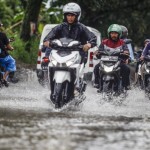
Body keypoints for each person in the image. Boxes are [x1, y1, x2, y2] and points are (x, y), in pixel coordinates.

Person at [94, 24, 130, 92]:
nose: (114, 35)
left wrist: (125, 53)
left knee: (127, 69)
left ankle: (125, 85)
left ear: (119, 34)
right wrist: (98, 53)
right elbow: (99, 50)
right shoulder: (104, 42)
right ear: (109, 34)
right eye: (112, 33)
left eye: (115, 33)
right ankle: (97, 83)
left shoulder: (122, 43)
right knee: (96, 67)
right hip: (105, 62)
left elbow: (126, 51)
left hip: (118, 62)